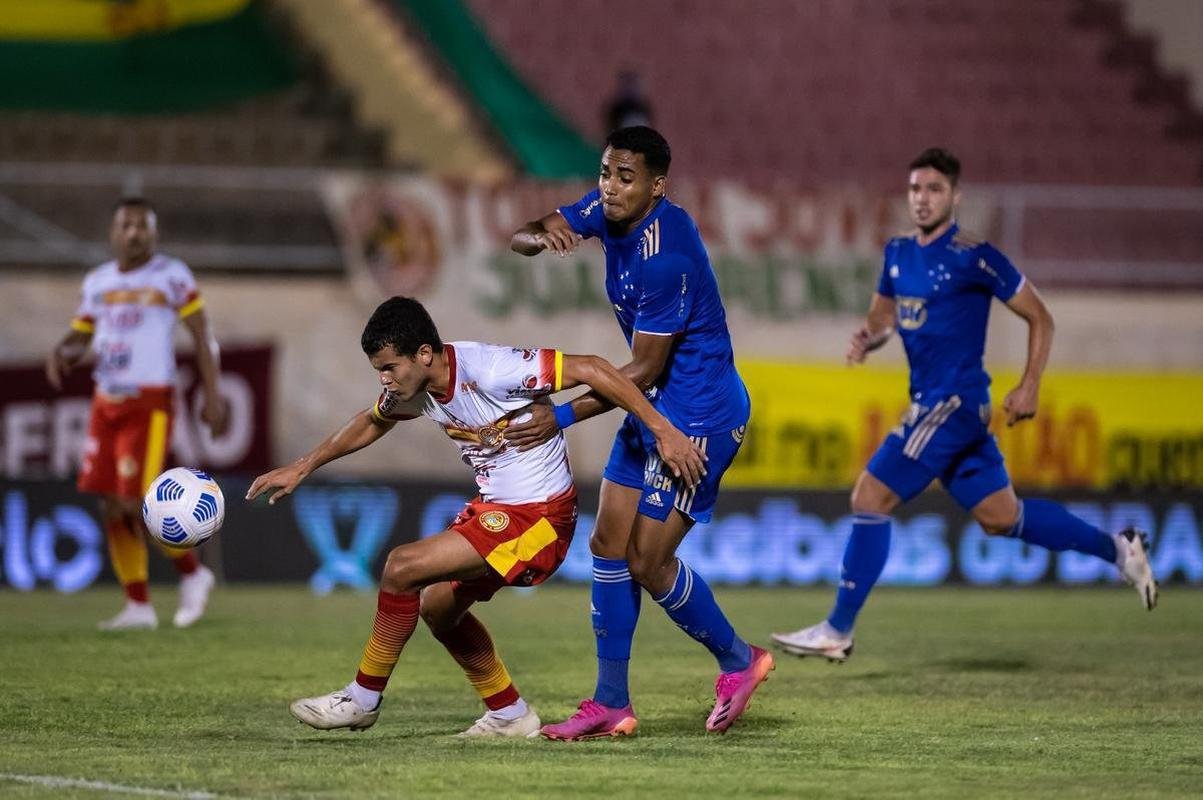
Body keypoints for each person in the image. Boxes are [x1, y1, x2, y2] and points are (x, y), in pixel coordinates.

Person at [247, 296, 705, 738]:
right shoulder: (416, 388)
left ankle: (362, 699)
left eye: (389, 367)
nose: (384, 379)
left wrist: (661, 430)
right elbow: (372, 420)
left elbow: (595, 369)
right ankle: (509, 712)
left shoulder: (491, 369)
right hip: (498, 512)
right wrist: (302, 466)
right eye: (378, 370)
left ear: (424, 354)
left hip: (540, 520)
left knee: (401, 567)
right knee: (438, 608)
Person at [771, 148, 1158, 662]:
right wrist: (870, 338)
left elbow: (1041, 317)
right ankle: (1120, 549)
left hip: (952, 403)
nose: (923, 199)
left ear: (956, 196)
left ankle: (837, 630)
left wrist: (1030, 384)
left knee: (869, 497)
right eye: (915, 190)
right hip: (946, 410)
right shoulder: (897, 254)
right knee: (1002, 517)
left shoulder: (976, 255)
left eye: (934, 189)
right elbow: (884, 319)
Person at [508, 125, 773, 740]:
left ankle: (741, 661)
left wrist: (564, 413)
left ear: (658, 186)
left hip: (697, 418)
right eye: (605, 173)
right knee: (607, 543)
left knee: (648, 562)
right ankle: (611, 703)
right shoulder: (603, 211)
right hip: (652, 407)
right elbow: (525, 231)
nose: (609, 187)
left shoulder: (666, 257)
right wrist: (539, 237)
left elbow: (645, 367)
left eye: (625, 178)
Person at [45, 197, 228, 630]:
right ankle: (138, 606)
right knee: (111, 504)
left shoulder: (171, 275)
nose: (133, 234)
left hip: (149, 402)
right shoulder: (98, 281)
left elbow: (203, 337)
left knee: (136, 501)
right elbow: (81, 335)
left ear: (155, 233)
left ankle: (193, 574)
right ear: (113, 233)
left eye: (142, 226)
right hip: (105, 400)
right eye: (125, 226)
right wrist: (62, 351)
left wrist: (213, 395)